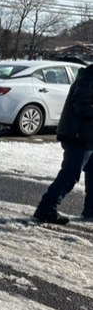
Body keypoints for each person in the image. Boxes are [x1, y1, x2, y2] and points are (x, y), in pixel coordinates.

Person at [33, 62, 93, 224]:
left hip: (88, 136)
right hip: (79, 135)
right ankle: (46, 209)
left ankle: (90, 210)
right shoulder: (89, 77)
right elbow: (82, 106)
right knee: (70, 174)